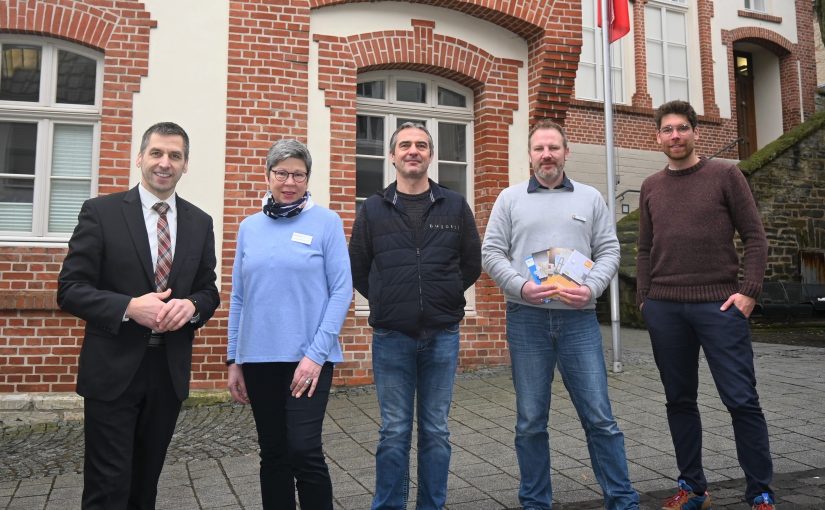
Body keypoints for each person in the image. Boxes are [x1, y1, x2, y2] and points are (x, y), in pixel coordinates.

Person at [57, 122, 220, 509]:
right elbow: (70, 289)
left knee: (145, 485)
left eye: (175, 156)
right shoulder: (102, 212)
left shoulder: (200, 222)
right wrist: (129, 307)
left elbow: (208, 289)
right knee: (108, 487)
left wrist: (193, 306)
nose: (165, 163)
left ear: (185, 165)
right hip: (113, 370)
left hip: (167, 371)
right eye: (157, 153)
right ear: (140, 158)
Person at [482, 120, 639, 510]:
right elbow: (491, 253)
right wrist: (521, 287)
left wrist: (592, 288)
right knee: (530, 421)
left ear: (566, 152)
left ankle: (622, 500)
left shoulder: (590, 198)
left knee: (600, 417)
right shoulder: (510, 198)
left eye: (553, 147)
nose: (546, 155)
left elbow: (609, 251)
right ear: (530, 155)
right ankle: (535, 503)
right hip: (526, 319)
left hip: (579, 320)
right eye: (539, 148)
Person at [637, 100, 775, 510]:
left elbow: (755, 237)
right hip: (665, 308)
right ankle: (693, 486)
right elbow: (644, 248)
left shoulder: (726, 175)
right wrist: (644, 298)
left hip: (720, 306)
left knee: (741, 399)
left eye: (682, 128)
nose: (675, 136)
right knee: (679, 400)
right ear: (658, 136)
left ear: (696, 132)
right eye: (667, 130)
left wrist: (749, 291)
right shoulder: (650, 186)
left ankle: (760, 491)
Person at [349, 122, 481, 510]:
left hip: (442, 334)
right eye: (405, 145)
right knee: (393, 431)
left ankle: (431, 505)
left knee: (436, 431)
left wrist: (445, 297)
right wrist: (389, 300)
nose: (413, 151)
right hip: (392, 337)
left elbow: (470, 262)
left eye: (421, 145)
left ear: (430, 155)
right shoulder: (373, 208)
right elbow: (358, 267)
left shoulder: (454, 205)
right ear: (392, 156)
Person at [226, 139, 352, 510]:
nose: (289, 181)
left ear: (307, 178)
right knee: (273, 454)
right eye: (281, 173)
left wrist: (316, 355)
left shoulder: (326, 223)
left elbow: (342, 291)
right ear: (268, 176)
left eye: (298, 174)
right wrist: (234, 358)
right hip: (259, 358)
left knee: (304, 450)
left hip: (309, 359)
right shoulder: (249, 227)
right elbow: (238, 297)